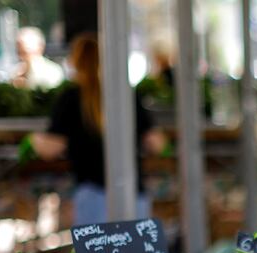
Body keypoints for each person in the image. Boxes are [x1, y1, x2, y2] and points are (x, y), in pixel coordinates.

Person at [29, 33, 166, 225]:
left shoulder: (70, 98)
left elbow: (51, 148)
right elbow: (156, 142)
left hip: (92, 193)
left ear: (75, 61)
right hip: (133, 192)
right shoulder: (125, 93)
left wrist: (34, 140)